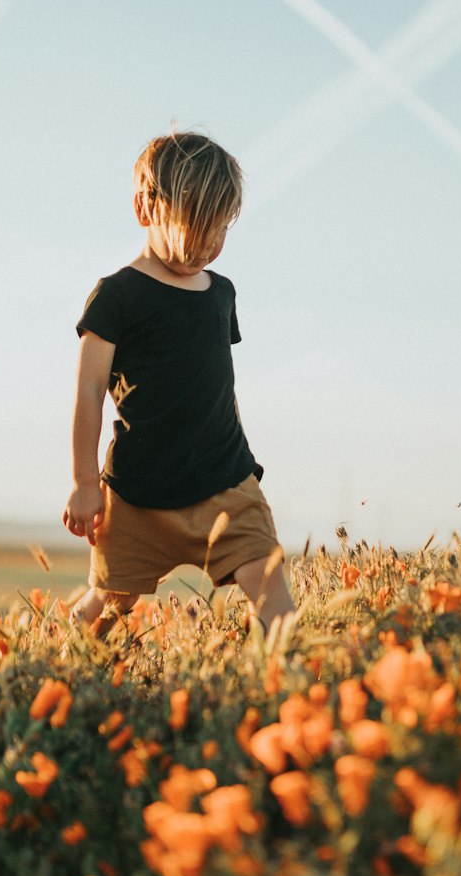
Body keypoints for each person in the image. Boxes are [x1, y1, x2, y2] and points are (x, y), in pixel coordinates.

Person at [63, 130, 296, 637]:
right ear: (145, 208)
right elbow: (87, 392)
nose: (208, 245)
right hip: (138, 495)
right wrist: (85, 484)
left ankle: (289, 690)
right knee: (108, 607)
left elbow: (209, 386)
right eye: (195, 229)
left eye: (219, 231)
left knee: (272, 589)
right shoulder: (116, 296)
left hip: (226, 481)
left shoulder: (221, 294)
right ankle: (50, 661)